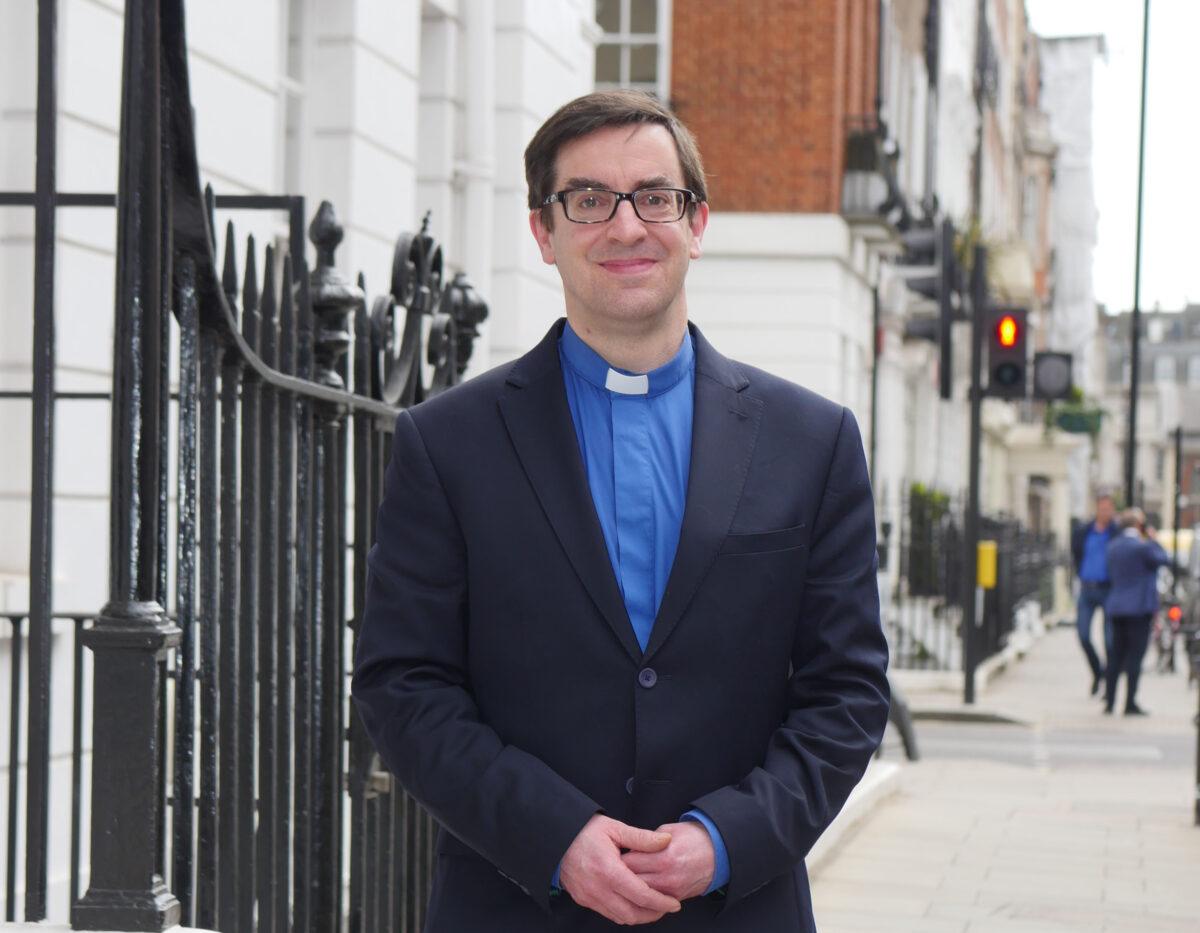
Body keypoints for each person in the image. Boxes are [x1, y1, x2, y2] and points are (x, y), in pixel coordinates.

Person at [352, 90, 890, 931]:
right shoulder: (447, 442)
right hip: (513, 903)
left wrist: (727, 836)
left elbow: (847, 694)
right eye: (589, 200)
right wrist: (555, 835)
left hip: (739, 907)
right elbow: (403, 685)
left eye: (655, 196)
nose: (627, 226)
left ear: (696, 222)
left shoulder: (812, 440)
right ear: (545, 231)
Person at [1103, 507, 1170, 716]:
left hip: (1116, 607)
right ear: (1139, 525)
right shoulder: (1142, 547)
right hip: (1138, 610)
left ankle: (1110, 702)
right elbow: (1163, 558)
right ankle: (1129, 702)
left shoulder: (1113, 546)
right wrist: (1152, 538)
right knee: (1135, 657)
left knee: (1115, 656)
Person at [1070, 493, 1118, 694]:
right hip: (1087, 589)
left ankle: (1109, 682)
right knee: (1082, 635)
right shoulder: (1084, 531)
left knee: (1109, 640)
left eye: (1109, 508)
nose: (1105, 512)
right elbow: (1076, 554)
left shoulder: (1117, 533)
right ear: (1097, 508)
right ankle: (1097, 671)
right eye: (1102, 508)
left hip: (1109, 590)